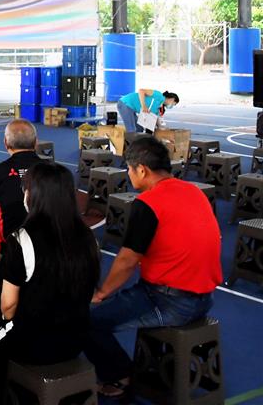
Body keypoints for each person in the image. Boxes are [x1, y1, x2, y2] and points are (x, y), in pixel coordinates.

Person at [85, 136, 221, 397]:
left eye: (129, 168)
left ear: (142, 170)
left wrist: (101, 294)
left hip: (169, 300)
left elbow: (127, 260)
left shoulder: (148, 203)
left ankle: (120, 376)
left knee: (87, 321)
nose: (128, 174)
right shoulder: (194, 191)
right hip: (205, 297)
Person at [0, 162, 101, 403]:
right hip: (78, 337)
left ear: (33, 195)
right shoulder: (88, 238)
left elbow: (8, 307)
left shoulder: (22, 240)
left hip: (33, 344)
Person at [0, 119, 42, 300]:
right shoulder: (56, 171)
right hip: (50, 241)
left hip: (12, 245)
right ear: (36, 142)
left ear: (6, 143)